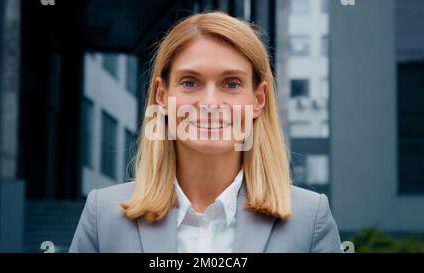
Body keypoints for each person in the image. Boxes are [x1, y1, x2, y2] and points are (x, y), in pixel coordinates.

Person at [69, 11, 342, 253]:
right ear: (162, 96)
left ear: (258, 100)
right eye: (190, 82)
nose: (210, 104)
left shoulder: (309, 218)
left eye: (231, 84)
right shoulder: (103, 216)